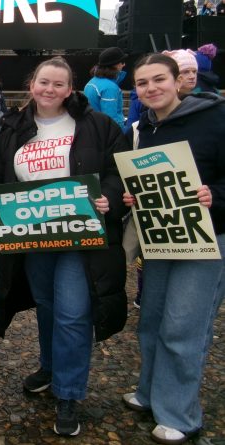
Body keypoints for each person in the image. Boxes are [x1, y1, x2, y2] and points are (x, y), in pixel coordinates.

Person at [0, 56, 129, 437]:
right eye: (43, 82)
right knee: (47, 306)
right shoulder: (13, 126)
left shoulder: (97, 124)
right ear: (32, 83)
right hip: (32, 235)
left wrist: (109, 198)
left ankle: (68, 392)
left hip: (80, 236)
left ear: (70, 89)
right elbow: (1, 170)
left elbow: (118, 171)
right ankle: (50, 367)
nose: (49, 90)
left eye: (58, 84)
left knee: (71, 312)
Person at [121, 53, 225, 445]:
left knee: (184, 326)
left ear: (178, 79)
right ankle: (151, 394)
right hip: (162, 235)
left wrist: (214, 195)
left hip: (208, 239)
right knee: (152, 319)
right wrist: (136, 196)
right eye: (142, 83)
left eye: (158, 80)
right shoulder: (145, 126)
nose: (151, 88)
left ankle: (179, 415)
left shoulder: (215, 117)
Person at [83, 46, 128, 126]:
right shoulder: (110, 87)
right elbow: (110, 120)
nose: (124, 64)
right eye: (122, 62)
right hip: (108, 134)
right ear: (116, 65)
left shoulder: (92, 82)